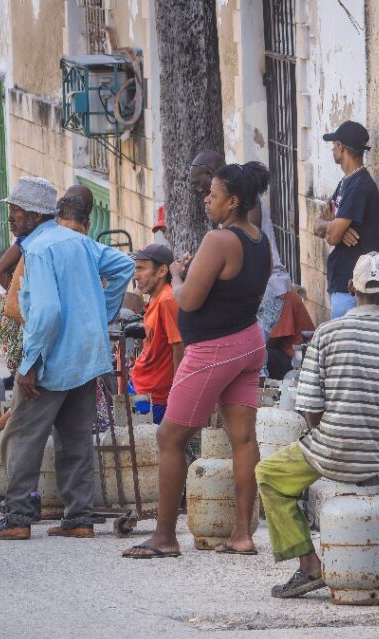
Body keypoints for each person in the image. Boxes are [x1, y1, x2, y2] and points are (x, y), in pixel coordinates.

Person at [123, 161, 273, 559]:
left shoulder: (219, 240)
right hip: (248, 342)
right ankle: (242, 533)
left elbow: (188, 300)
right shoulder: (258, 238)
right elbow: (236, 287)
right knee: (243, 440)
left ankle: (164, 537)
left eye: (214, 194)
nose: (207, 198)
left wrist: (176, 273)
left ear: (233, 201)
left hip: (214, 348)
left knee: (170, 437)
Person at [255, 252, 379, 598]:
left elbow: (309, 407)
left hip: (334, 449)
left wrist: (325, 434)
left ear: (351, 289)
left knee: (269, 475)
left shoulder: (328, 333)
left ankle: (309, 566)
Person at [0, 176, 134, 540]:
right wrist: (101, 313)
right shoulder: (79, 242)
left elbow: (47, 313)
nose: (11, 219)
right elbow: (123, 268)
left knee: (23, 435)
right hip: (87, 355)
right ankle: (78, 518)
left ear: (36, 216)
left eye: (16, 212)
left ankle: (18, 518)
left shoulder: (37, 250)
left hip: (54, 359)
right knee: (75, 438)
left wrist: (30, 365)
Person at [188, 149, 294, 379]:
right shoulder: (226, 213)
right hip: (254, 289)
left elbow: (244, 245)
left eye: (200, 183)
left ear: (210, 174)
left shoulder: (245, 205)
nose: (200, 191)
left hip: (266, 289)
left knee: (255, 360)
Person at [313, 121, 379, 319]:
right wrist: (334, 224)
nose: (333, 149)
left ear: (341, 147)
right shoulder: (346, 181)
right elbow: (317, 226)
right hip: (344, 283)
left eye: (334, 144)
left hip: (354, 286)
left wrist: (335, 228)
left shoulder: (359, 185)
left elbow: (332, 237)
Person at [129, 244, 183, 424]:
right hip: (141, 384)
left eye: (141, 268)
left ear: (161, 271)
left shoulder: (167, 300)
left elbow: (179, 346)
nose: (136, 275)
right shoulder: (155, 297)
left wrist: (178, 390)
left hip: (156, 395)